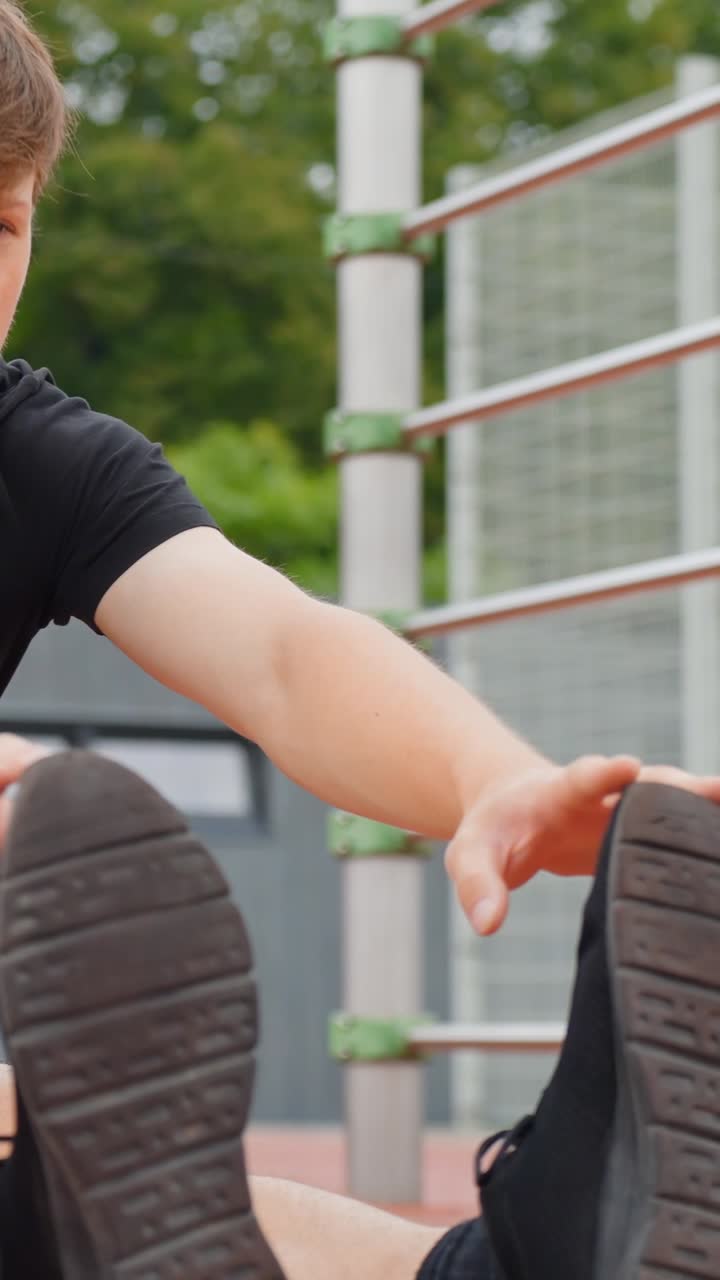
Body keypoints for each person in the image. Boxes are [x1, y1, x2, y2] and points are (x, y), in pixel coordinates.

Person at [1, 2, 719, 1277]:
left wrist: (487, 779)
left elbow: (286, 651)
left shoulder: (37, 457)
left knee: (159, 1211)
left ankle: (509, 1260)